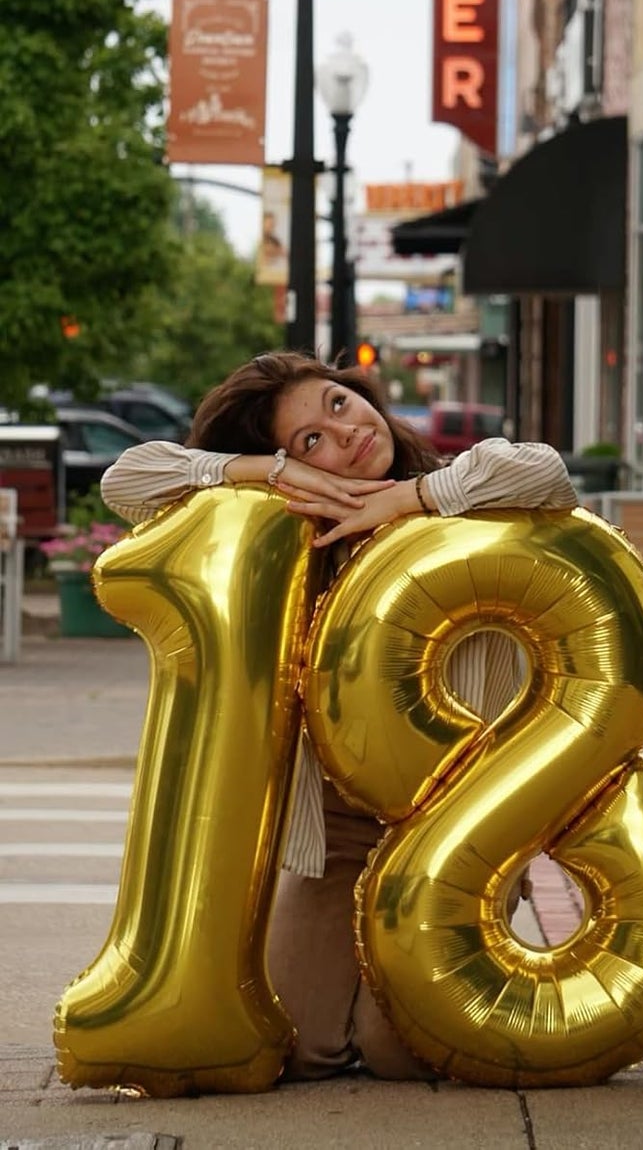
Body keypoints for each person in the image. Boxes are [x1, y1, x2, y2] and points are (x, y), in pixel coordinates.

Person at [101, 351, 577, 1082]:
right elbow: (125, 480)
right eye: (308, 440)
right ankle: (367, 995)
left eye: (338, 404)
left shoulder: (466, 493)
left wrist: (405, 499)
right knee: (303, 1043)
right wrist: (264, 474)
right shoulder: (288, 527)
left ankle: (411, 997)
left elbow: (543, 470)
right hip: (344, 825)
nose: (343, 431)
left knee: (399, 1055)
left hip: (460, 823)